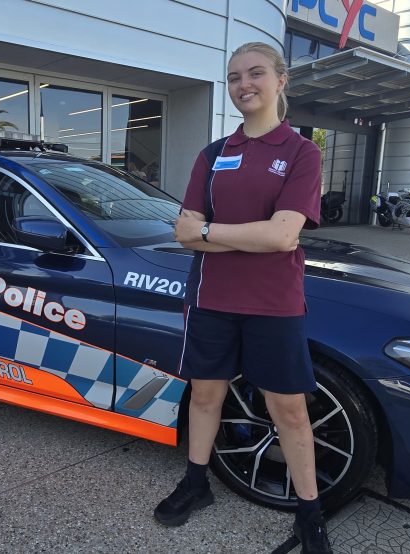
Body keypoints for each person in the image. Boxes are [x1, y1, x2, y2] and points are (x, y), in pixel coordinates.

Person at [157, 43, 332, 553]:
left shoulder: (303, 152)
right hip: (212, 297)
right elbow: (182, 234)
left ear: (282, 81)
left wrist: (211, 230)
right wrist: (232, 234)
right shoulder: (213, 154)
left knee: (290, 410)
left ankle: (310, 513)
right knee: (206, 396)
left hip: (273, 302)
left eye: (256, 73)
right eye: (234, 77)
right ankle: (195, 484)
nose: (244, 85)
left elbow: (283, 237)